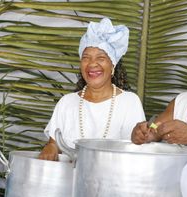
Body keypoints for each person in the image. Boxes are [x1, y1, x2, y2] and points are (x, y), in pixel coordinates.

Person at [39, 17, 145, 160]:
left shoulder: (129, 102)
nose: (92, 64)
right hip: (70, 181)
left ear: (113, 65)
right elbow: (53, 144)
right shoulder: (66, 102)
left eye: (101, 58)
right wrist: (50, 147)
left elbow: (136, 152)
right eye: (86, 58)